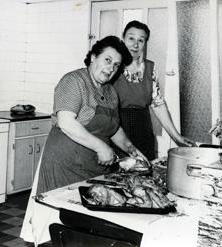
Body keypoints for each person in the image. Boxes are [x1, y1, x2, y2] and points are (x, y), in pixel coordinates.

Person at [35, 35, 148, 194]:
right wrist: (101, 147)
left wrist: (132, 150)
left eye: (116, 65)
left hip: (93, 167)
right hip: (65, 167)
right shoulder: (74, 81)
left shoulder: (110, 92)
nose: (111, 68)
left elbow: (113, 128)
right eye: (107, 60)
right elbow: (66, 122)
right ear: (93, 57)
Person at [112, 20, 195, 161]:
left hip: (144, 134)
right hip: (116, 134)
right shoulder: (112, 67)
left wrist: (177, 137)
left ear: (145, 43)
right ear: (123, 39)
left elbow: (158, 104)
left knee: (145, 176)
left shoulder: (150, 68)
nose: (135, 44)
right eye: (131, 38)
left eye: (141, 40)